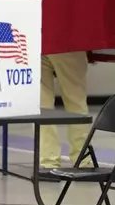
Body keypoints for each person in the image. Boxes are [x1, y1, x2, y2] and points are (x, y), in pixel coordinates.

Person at [38, 51, 93, 181]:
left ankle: (48, 163)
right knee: (76, 102)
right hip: (67, 42)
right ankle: (82, 161)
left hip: (37, 40)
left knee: (42, 106)